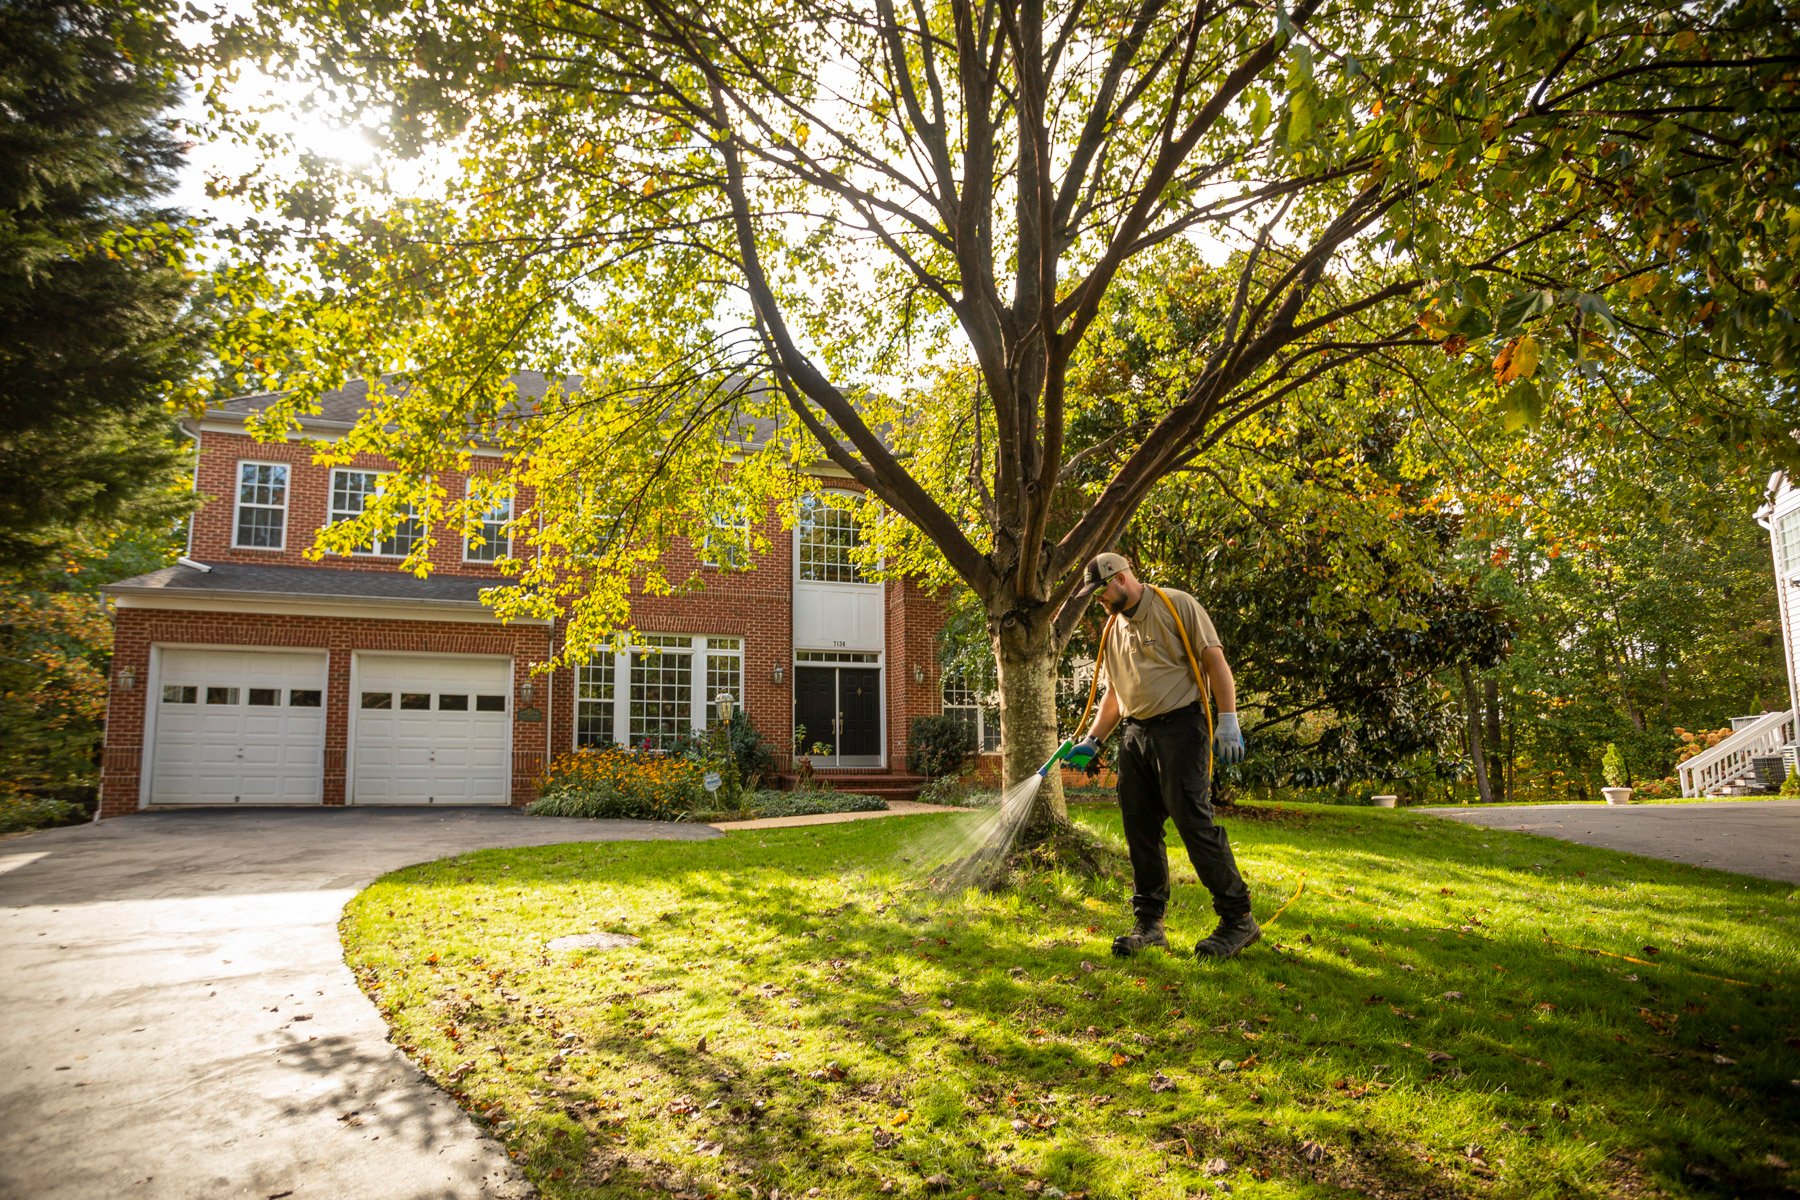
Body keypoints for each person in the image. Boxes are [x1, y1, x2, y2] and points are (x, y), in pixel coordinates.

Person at [1069, 552, 1259, 960]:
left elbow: (1215, 661)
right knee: (1139, 827)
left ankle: (1237, 918)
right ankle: (1149, 925)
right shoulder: (1112, 630)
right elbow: (1116, 695)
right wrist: (1094, 739)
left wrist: (1228, 719)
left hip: (1182, 727)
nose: (1099, 600)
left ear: (1120, 578)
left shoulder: (1177, 604)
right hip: (1136, 734)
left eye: (1101, 592)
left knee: (1193, 822)